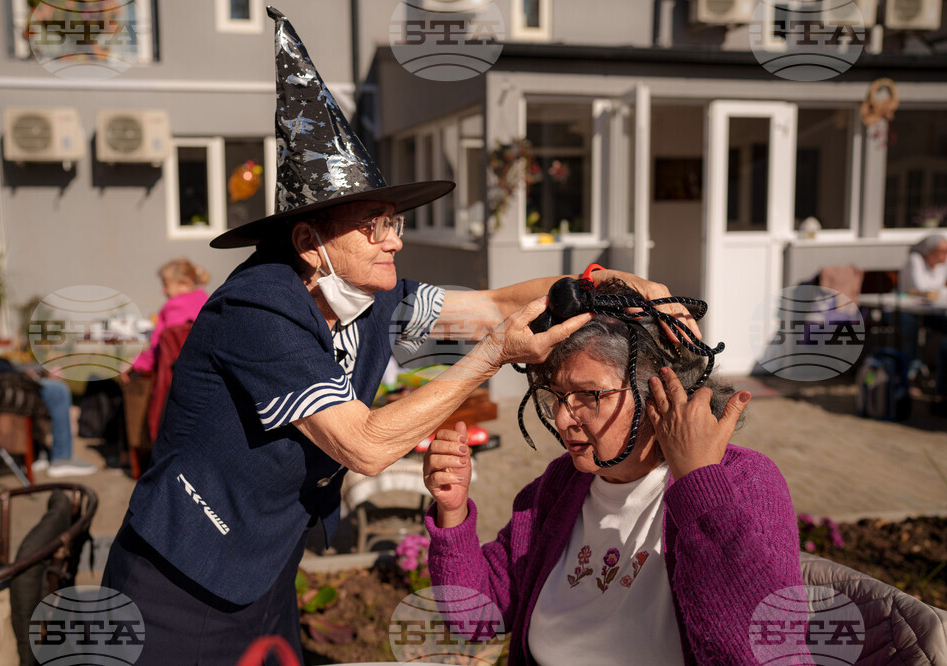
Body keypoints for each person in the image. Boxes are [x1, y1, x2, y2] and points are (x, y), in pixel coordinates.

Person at [100, 11, 697, 665]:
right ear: (309, 242)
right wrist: (493, 353)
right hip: (178, 581)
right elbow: (365, 444)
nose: (396, 238)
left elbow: (495, 303)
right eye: (375, 226)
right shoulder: (258, 310)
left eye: (394, 221)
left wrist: (616, 282)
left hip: (262, 570)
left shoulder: (371, 302)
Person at [423, 275, 806, 664]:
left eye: (590, 395)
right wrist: (452, 513)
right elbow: (476, 620)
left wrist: (697, 482)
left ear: (659, 393)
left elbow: (760, 651)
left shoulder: (744, 481)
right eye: (557, 395)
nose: (562, 418)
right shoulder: (560, 486)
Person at [0, 298, 97, 478]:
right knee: (57, 390)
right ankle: (62, 457)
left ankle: (39, 454)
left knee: (42, 384)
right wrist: (18, 372)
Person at [128, 258, 210, 377]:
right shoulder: (204, 299)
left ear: (184, 284)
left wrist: (135, 362)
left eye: (166, 285)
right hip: (201, 371)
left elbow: (161, 348)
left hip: (172, 376)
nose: (163, 290)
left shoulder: (174, 307)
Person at [897, 235, 947, 411]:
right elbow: (920, 287)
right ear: (928, 252)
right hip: (906, 310)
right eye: (941, 252)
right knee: (909, 328)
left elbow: (936, 290)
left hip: (932, 311)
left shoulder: (943, 264)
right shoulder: (915, 259)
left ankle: (940, 391)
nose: (944, 256)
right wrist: (936, 291)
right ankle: (909, 375)